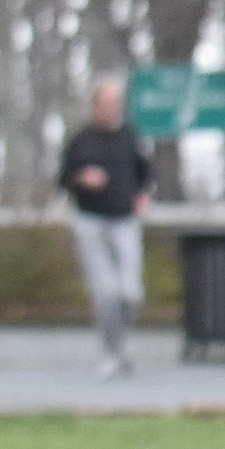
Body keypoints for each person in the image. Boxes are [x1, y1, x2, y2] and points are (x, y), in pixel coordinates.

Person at [56, 78, 153, 373]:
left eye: (117, 103)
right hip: (91, 221)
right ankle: (111, 354)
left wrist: (142, 196)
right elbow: (63, 178)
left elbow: (145, 173)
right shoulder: (82, 139)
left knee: (130, 294)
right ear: (96, 105)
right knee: (107, 293)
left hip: (124, 220)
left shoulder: (129, 136)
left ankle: (119, 345)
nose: (112, 109)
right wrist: (82, 179)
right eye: (107, 103)